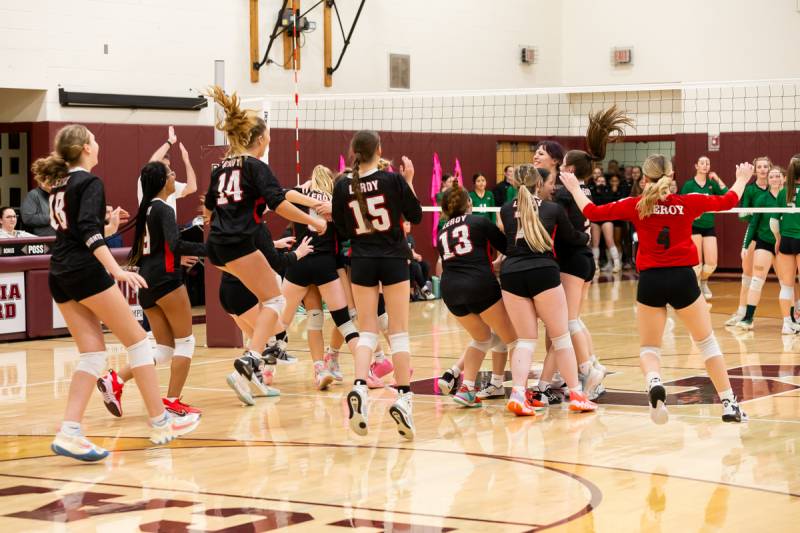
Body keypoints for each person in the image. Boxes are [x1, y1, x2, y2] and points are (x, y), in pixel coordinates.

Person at [34, 124, 199, 462]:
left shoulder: (58, 185)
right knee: (139, 341)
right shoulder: (90, 182)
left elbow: (75, 232)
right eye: (93, 139)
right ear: (84, 148)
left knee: (93, 354)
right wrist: (117, 269)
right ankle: (160, 420)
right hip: (84, 271)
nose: (98, 143)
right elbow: (89, 236)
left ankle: (70, 431)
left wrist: (108, 228)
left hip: (59, 272)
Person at [560, 155, 751, 424]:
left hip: (651, 281)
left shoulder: (636, 205)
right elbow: (729, 201)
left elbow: (592, 212)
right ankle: (730, 404)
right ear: (671, 176)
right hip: (683, 278)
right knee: (706, 343)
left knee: (650, 347)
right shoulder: (688, 202)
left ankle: (654, 381)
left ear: (644, 178)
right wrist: (742, 178)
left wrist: (574, 188)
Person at [202, 87, 326, 398]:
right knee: (275, 301)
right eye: (268, 135)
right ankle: (251, 359)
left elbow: (207, 206)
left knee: (264, 296)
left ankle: (251, 376)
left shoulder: (221, 169)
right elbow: (279, 202)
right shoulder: (255, 166)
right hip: (237, 242)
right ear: (259, 139)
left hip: (216, 244)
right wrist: (313, 220)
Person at [96, 161, 208, 419]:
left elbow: (149, 249)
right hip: (167, 282)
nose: (174, 176)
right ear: (161, 182)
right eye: (170, 174)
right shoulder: (163, 209)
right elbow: (175, 243)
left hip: (147, 283)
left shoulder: (145, 209)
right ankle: (172, 401)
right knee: (186, 342)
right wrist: (211, 250)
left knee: (164, 349)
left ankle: (115, 380)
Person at [331, 130, 422, 440]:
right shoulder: (391, 179)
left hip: (362, 260)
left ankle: (359, 387)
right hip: (394, 257)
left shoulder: (342, 186)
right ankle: (404, 398)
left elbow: (342, 229)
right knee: (398, 330)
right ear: (379, 150)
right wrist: (408, 179)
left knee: (367, 329)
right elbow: (416, 215)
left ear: (354, 151)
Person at [498, 164, 597, 415]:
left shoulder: (505, 209)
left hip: (511, 274)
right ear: (538, 184)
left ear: (514, 185)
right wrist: (586, 238)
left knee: (525, 340)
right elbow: (570, 237)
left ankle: (519, 394)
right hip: (542, 271)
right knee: (561, 337)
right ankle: (576, 394)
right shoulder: (552, 208)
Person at [280, 164, 362, 390]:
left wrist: (303, 190)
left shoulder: (300, 194)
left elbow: (282, 194)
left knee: (282, 321)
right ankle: (365, 371)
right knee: (345, 320)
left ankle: (263, 369)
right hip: (326, 264)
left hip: (301, 261)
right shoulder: (336, 202)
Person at [435, 183, 516, 407]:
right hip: (479, 285)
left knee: (483, 338)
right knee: (515, 339)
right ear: (469, 202)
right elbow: (509, 247)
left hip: (450, 291)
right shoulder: (479, 221)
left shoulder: (441, 231)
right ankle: (521, 393)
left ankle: (467, 388)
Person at [737, 166, 786, 331]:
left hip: (784, 244)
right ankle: (748, 318)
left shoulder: (789, 198)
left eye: (776, 176)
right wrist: (745, 245)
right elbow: (753, 224)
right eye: (771, 176)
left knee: (787, 283)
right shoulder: (762, 199)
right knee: (757, 280)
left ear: (783, 178)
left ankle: (791, 318)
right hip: (764, 243)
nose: (773, 179)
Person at [727, 156, 772, 326]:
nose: (762, 169)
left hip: (776, 236)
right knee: (747, 276)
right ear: (754, 170)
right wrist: (752, 214)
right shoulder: (750, 189)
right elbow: (742, 215)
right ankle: (742, 312)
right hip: (754, 235)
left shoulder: (776, 186)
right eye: (759, 167)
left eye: (765, 166)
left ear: (770, 168)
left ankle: (792, 315)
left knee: (786, 279)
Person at [680, 156, 728, 299]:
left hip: (709, 226)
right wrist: (692, 215)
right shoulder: (689, 185)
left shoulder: (711, 184)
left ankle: (704, 280)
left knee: (712, 263)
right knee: (697, 263)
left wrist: (718, 178)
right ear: (696, 166)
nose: (705, 165)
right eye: (702, 163)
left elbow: (727, 195)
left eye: (708, 163)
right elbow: (681, 205)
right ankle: (696, 287)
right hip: (693, 226)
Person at [137, 126, 197, 215]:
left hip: (170, 226)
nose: (167, 168)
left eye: (168, 165)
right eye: (163, 165)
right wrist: (170, 142)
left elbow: (192, 188)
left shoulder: (169, 183)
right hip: (153, 228)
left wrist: (187, 161)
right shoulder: (145, 180)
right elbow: (151, 164)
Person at [774, 156, 800, 336]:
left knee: (787, 286)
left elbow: (773, 222)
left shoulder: (784, 192)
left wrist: (777, 239)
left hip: (786, 241)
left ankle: (786, 324)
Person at [590, 175, 623, 272]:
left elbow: (608, 202)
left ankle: (617, 264)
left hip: (606, 218)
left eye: (603, 181)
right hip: (595, 219)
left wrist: (603, 190)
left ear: (605, 183)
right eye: (599, 181)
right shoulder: (593, 192)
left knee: (610, 241)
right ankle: (595, 265)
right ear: (595, 182)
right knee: (595, 243)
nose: (600, 183)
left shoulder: (608, 191)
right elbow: (593, 203)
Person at [404, 220, 433, 300]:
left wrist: (417, 256)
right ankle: (420, 289)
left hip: (410, 261)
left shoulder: (410, 237)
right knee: (415, 266)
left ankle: (421, 290)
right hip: (402, 262)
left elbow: (412, 252)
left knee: (425, 264)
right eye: (406, 224)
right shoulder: (398, 239)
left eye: (409, 224)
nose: (409, 226)